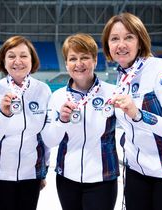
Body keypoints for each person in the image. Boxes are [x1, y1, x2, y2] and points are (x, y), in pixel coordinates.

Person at [101, 12, 162, 210]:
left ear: (140, 41)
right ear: (108, 47)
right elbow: (132, 127)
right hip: (138, 171)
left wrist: (138, 115)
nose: (121, 44)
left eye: (129, 37)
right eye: (114, 39)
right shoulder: (123, 77)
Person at [42, 33, 119, 210]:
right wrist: (61, 120)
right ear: (66, 64)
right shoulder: (58, 97)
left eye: (85, 57)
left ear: (95, 60)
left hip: (103, 178)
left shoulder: (112, 93)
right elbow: (50, 141)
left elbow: (133, 127)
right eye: (73, 58)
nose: (79, 64)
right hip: (67, 178)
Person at [0, 35, 51, 210]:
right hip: (0, 173)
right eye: (11, 56)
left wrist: (44, 169)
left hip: (31, 173)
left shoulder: (43, 90)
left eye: (23, 56)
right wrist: (4, 115)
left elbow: (45, 136)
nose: (17, 61)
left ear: (32, 60)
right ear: (3, 61)